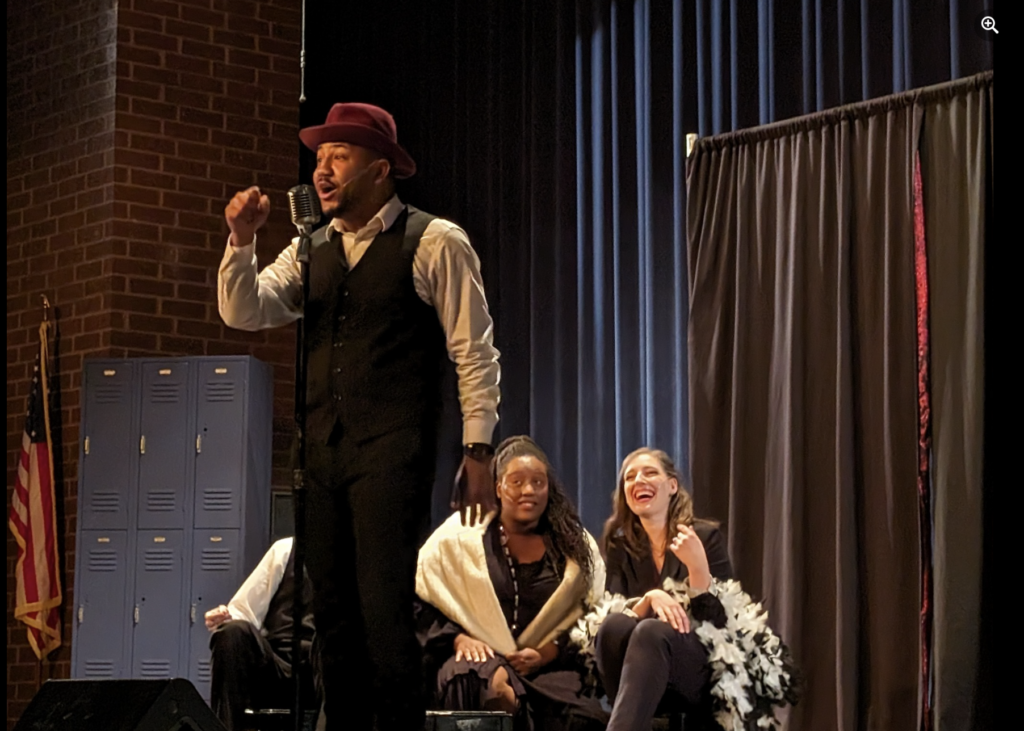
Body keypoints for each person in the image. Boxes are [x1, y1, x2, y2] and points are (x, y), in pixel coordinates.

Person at [217, 102, 501, 731]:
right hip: (319, 457)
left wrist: (479, 451)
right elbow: (247, 311)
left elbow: (473, 351)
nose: (322, 169)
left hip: (390, 454)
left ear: (380, 168)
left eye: (338, 156)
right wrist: (241, 242)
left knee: (382, 613)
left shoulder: (433, 241)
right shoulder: (308, 248)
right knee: (334, 620)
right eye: (318, 158)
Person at [415, 436, 607, 731]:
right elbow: (419, 600)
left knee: (582, 716)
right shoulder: (459, 536)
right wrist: (457, 638)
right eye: (516, 482)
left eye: (538, 482)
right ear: (498, 488)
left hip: (548, 667)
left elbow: (593, 619)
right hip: (478, 659)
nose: (528, 490)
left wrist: (548, 652)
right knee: (479, 683)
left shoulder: (575, 548)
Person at [594, 448, 733, 731]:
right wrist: (651, 598)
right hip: (638, 671)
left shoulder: (704, 537)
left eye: (650, 472)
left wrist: (698, 569)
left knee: (652, 631)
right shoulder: (619, 549)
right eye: (629, 477)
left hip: (696, 669)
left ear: (672, 486)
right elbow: (613, 611)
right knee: (613, 626)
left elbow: (720, 624)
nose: (638, 480)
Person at [204, 537, 316, 731]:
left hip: (324, 665)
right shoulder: (286, 549)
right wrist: (224, 618)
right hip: (278, 664)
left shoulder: (362, 558)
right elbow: (244, 611)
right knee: (232, 633)